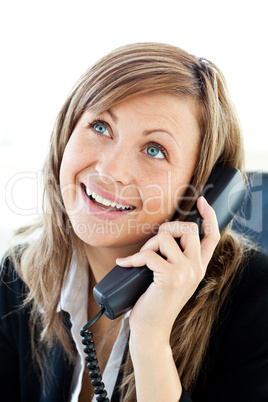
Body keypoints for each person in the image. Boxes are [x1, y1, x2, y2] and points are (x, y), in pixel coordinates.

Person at [0, 42, 267, 402]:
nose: (110, 170)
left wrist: (151, 338)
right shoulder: (18, 276)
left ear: (202, 190)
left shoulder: (256, 302)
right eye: (100, 126)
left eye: (154, 149)